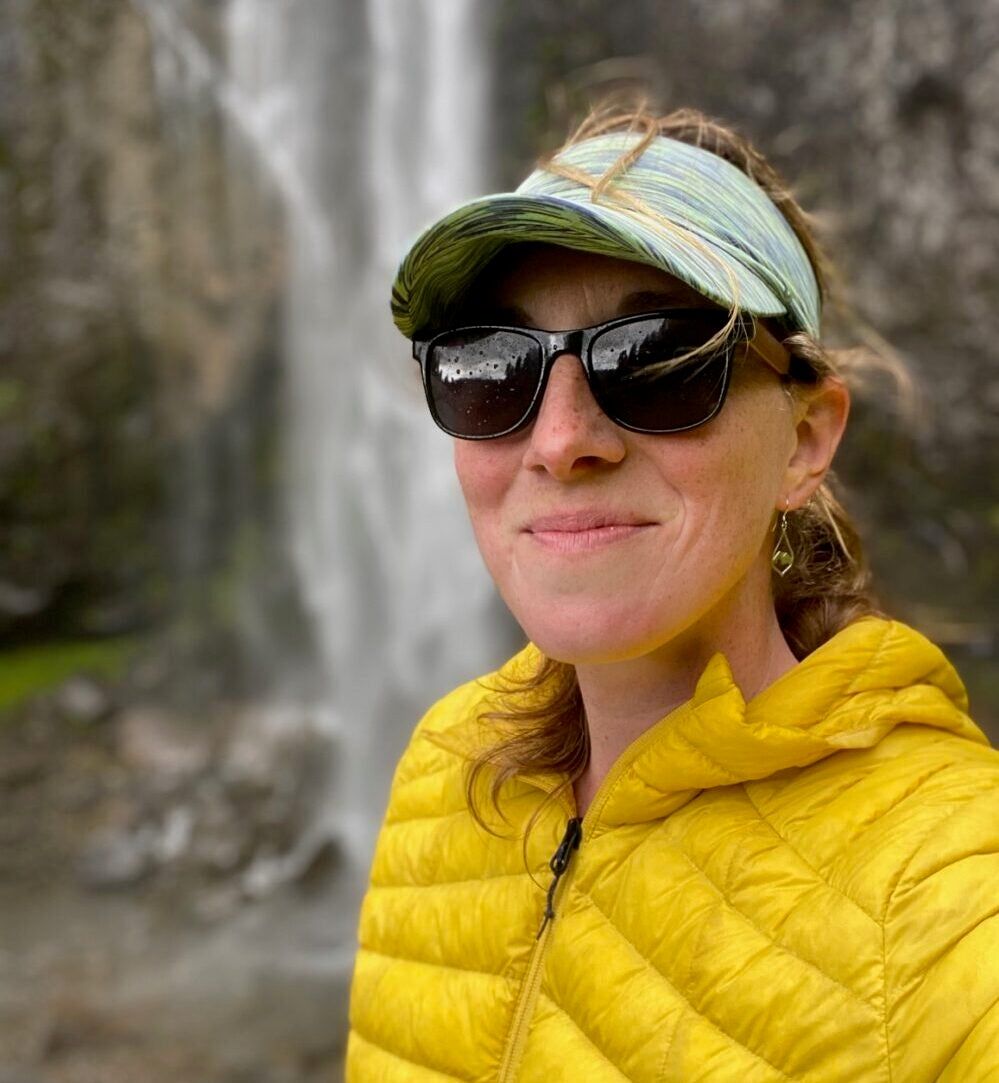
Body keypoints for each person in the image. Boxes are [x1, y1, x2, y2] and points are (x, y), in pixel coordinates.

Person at [345, 104, 999, 1082]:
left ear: (807, 439)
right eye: (492, 370)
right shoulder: (449, 771)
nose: (562, 441)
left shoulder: (945, 887)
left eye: (656, 362)